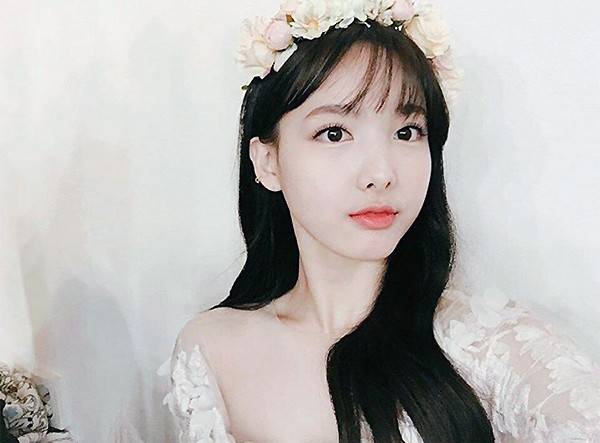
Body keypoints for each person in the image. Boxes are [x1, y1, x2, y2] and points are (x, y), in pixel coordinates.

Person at [158, 0, 600, 441]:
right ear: (268, 162)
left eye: (407, 132)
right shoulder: (212, 350)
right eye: (334, 133)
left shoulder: (496, 348)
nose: (381, 174)